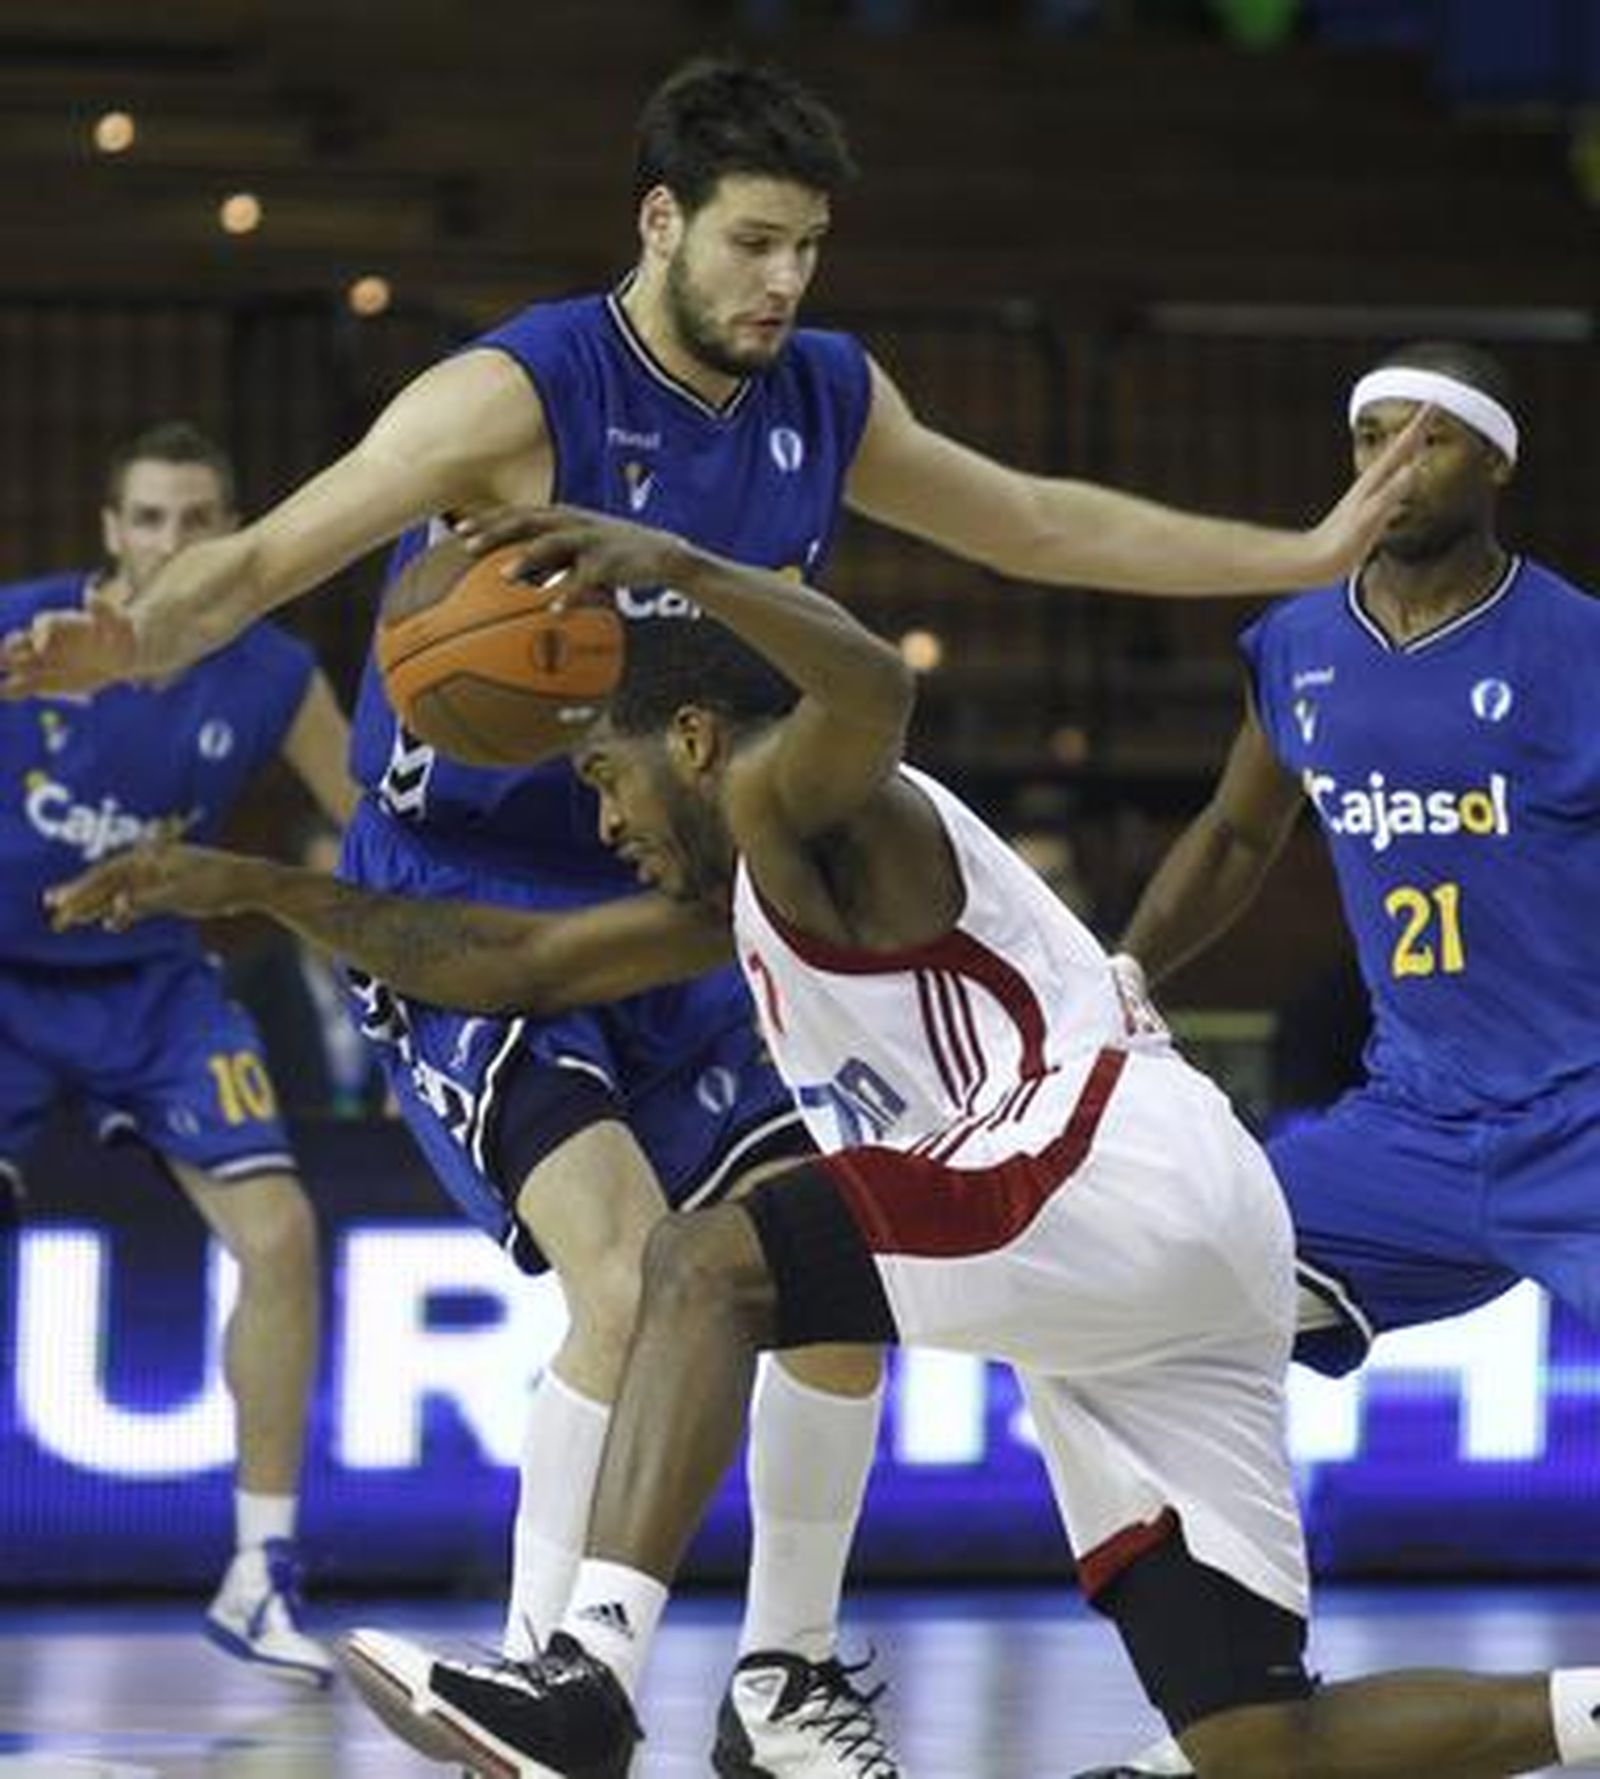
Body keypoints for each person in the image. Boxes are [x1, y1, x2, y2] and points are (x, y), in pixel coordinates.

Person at [5, 56, 1420, 1771]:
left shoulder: (825, 394)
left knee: (819, 1268)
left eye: (809, 247)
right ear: (661, 220)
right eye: (755, 242)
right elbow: (274, 554)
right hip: (464, 888)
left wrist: (1298, 545)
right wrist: (142, 636)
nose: (784, 281)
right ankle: (545, 1675)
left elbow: (1038, 522)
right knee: (623, 1264)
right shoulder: (515, 394)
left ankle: (783, 1678)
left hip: (684, 887)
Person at [52, 502, 1600, 1779]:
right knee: (1262, 1738)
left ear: (701, 734)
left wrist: (682, 565)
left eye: (604, 770)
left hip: (1103, 1162)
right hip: (1174, 1253)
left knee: (708, 1254)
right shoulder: (745, 887)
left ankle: (589, 1673)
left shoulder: (810, 792)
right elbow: (501, 966)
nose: (599, 816)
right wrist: (258, 886)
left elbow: (872, 687)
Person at [1072, 338, 1600, 1779]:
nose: (1389, 465)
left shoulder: (1575, 647)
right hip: (1406, 1134)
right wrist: (1119, 972)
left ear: (1497, 461)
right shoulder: (1302, 643)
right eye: (1370, 436)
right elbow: (1242, 834)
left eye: (1425, 439)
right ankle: (1232, 1721)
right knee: (1128, 1300)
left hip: (1586, 1117)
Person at [1, 421, 356, 1685]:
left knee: (282, 1237)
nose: (172, 544)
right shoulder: (26, 633)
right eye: (148, 519)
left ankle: (260, 1574)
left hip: (153, 980)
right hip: (6, 975)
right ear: (109, 531)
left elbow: (367, 832)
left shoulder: (269, 671)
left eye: (200, 520)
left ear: (234, 535)